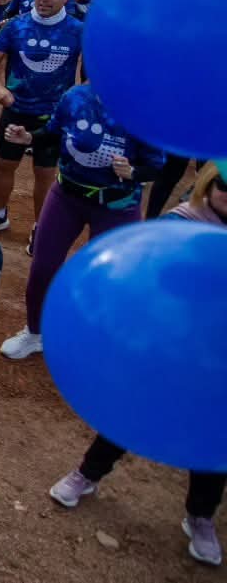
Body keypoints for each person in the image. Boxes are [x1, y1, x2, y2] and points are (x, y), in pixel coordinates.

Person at [47, 164, 227, 568]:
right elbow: (148, 278)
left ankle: (200, 515)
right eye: (225, 186)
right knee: (130, 414)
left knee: (214, 437)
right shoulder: (181, 223)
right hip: (169, 347)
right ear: (207, 183)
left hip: (219, 363)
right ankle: (87, 475)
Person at [0, 79, 164, 359]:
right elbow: (53, 131)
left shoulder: (143, 108)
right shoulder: (76, 96)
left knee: (107, 279)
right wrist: (30, 138)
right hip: (66, 196)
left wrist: (133, 173)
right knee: (43, 266)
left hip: (116, 206)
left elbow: (157, 167)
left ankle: (95, 342)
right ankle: (35, 333)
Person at [0, 0, 84, 243]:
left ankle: (41, 227)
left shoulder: (77, 30)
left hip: (53, 117)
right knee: (4, 164)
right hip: (16, 110)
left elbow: (92, 71)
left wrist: (76, 98)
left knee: (45, 173)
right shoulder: (16, 26)